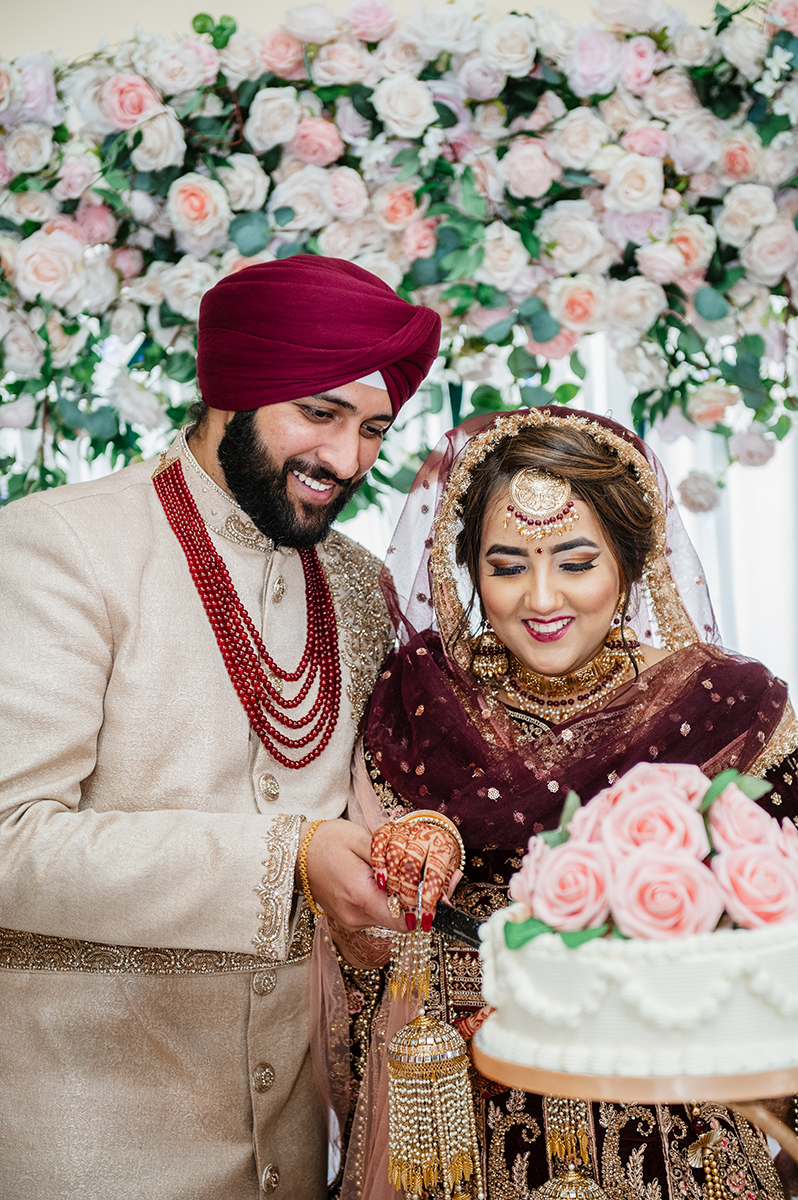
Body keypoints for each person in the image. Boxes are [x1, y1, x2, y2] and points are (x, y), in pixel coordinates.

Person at [0, 255, 440, 1199]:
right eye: (318, 413)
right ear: (231, 390)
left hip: (295, 1148)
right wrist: (291, 857)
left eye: (373, 429)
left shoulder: (356, 584)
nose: (348, 461)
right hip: (88, 1141)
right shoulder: (64, 548)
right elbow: (8, 841)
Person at [327, 405, 798, 1200]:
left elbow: (777, 944)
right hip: (469, 1115)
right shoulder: (418, 709)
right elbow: (360, 946)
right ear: (465, 569)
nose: (541, 598)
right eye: (507, 567)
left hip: (675, 1123)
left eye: (577, 563)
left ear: (633, 561)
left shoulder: (724, 707)